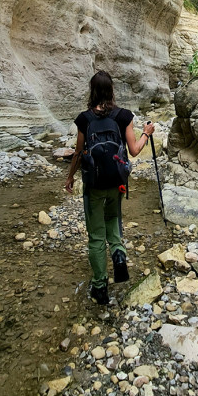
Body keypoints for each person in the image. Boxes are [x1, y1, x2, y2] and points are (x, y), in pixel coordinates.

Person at [64, 70, 155, 305]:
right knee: (113, 219)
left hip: (93, 184)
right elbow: (134, 150)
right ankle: (118, 254)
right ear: (112, 90)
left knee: (95, 236)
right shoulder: (123, 116)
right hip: (117, 182)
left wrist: (70, 177)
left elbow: (78, 152)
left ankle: (100, 287)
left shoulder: (84, 119)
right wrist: (146, 133)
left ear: (92, 91)